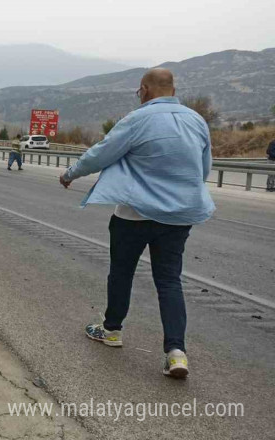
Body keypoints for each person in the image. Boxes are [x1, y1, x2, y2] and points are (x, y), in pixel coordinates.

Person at [58, 68, 215, 379]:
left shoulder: (138, 119)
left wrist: (70, 173)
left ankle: (112, 330)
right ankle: (176, 352)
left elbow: (101, 154)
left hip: (133, 215)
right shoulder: (197, 120)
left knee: (121, 272)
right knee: (169, 281)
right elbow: (204, 169)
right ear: (173, 88)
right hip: (177, 218)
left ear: (144, 90)